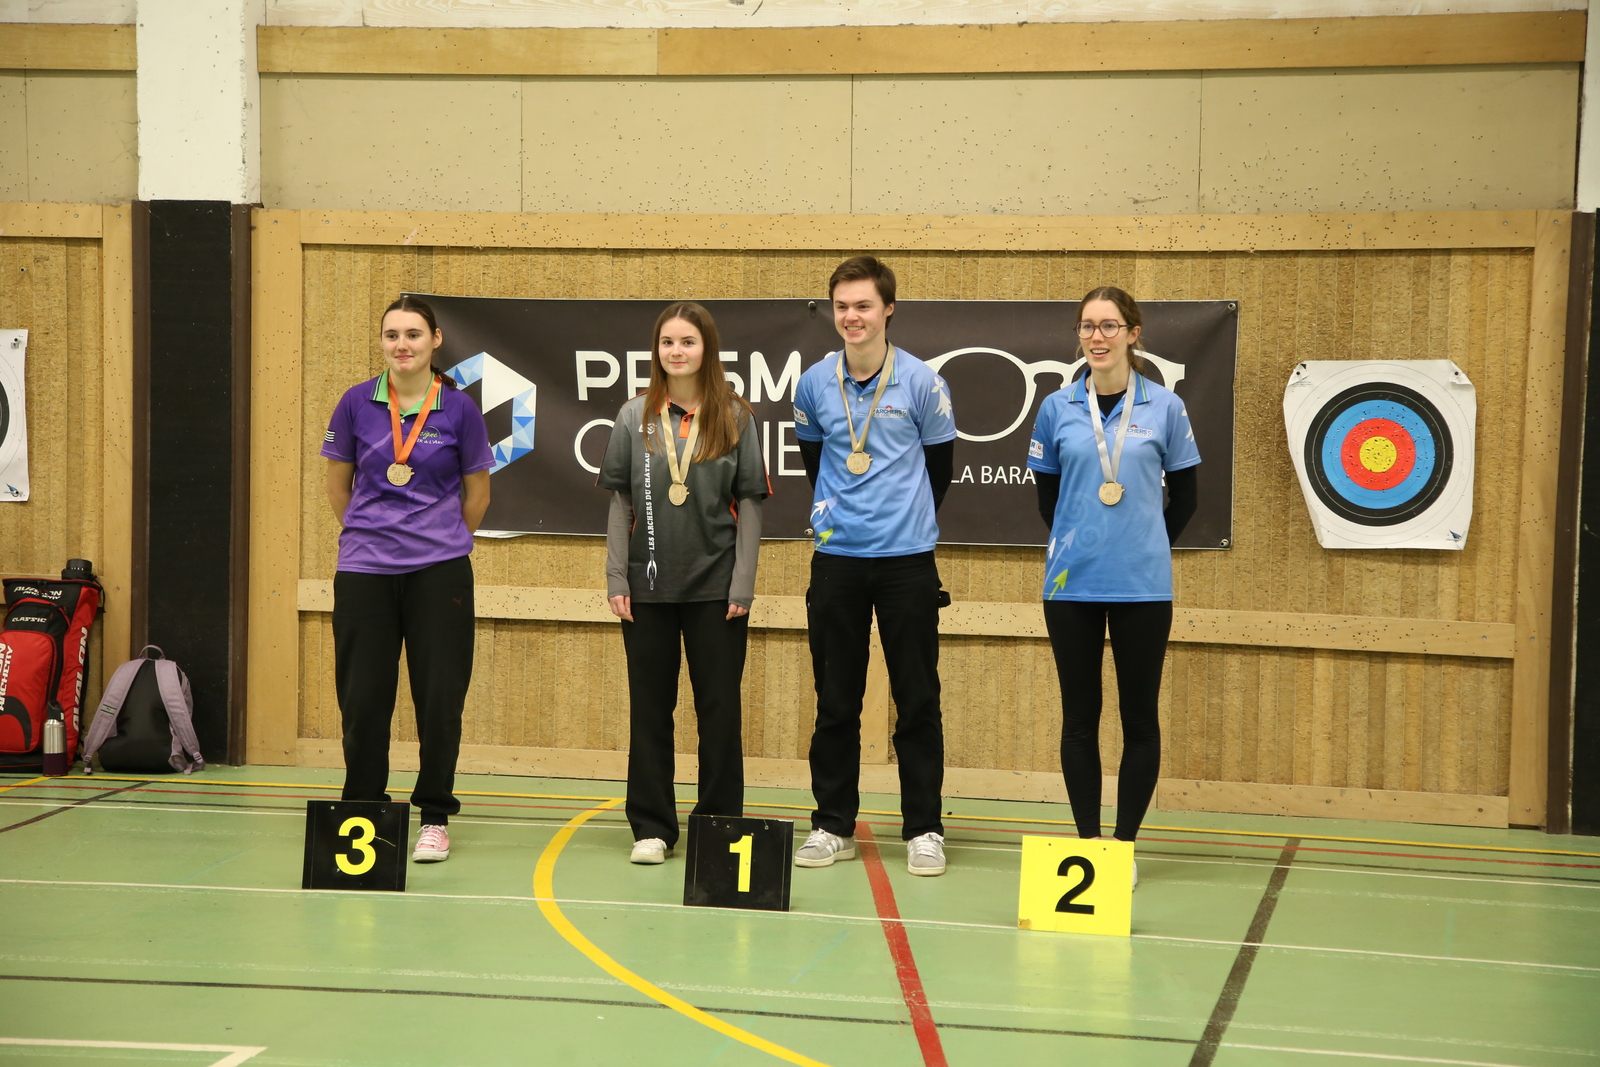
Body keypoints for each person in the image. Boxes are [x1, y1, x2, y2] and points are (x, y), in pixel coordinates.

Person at [1026, 286, 1200, 877]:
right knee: (1079, 718)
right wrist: (1085, 544)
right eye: (1086, 326)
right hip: (1070, 586)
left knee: (1139, 718)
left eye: (1108, 325)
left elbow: (1187, 499)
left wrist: (1142, 544)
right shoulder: (1056, 407)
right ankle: (1090, 844)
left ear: (1132, 333)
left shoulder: (1165, 407)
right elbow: (1048, 500)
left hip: (1143, 587)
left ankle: (1122, 846)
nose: (1096, 337)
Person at [791, 255, 957, 877]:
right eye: (842, 306)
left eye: (863, 305)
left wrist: (901, 522)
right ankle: (832, 824)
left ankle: (924, 829)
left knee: (917, 701)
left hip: (907, 565)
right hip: (836, 562)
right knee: (836, 701)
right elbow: (816, 464)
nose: (851, 316)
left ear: (888, 309)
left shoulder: (922, 383)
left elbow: (939, 470)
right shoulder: (814, 384)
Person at [321, 295, 493, 864]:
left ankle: (434, 817)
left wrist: (439, 540)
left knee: (439, 700)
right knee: (363, 699)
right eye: (392, 334)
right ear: (382, 342)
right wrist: (373, 536)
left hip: (439, 573)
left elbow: (477, 496)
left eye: (414, 334)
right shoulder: (355, 403)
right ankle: (364, 808)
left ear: (435, 340)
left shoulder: (460, 409)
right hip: (364, 572)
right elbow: (338, 488)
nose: (402, 344)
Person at [599, 302, 769, 865]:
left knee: (718, 711)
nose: (677, 351)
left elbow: (750, 503)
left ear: (707, 349)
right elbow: (620, 501)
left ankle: (719, 824)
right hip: (646, 588)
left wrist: (742, 585)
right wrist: (616, 575)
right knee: (650, 710)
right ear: (657, 351)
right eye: (668, 342)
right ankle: (652, 827)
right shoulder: (633, 416)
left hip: (717, 590)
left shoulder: (736, 416)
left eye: (688, 341)